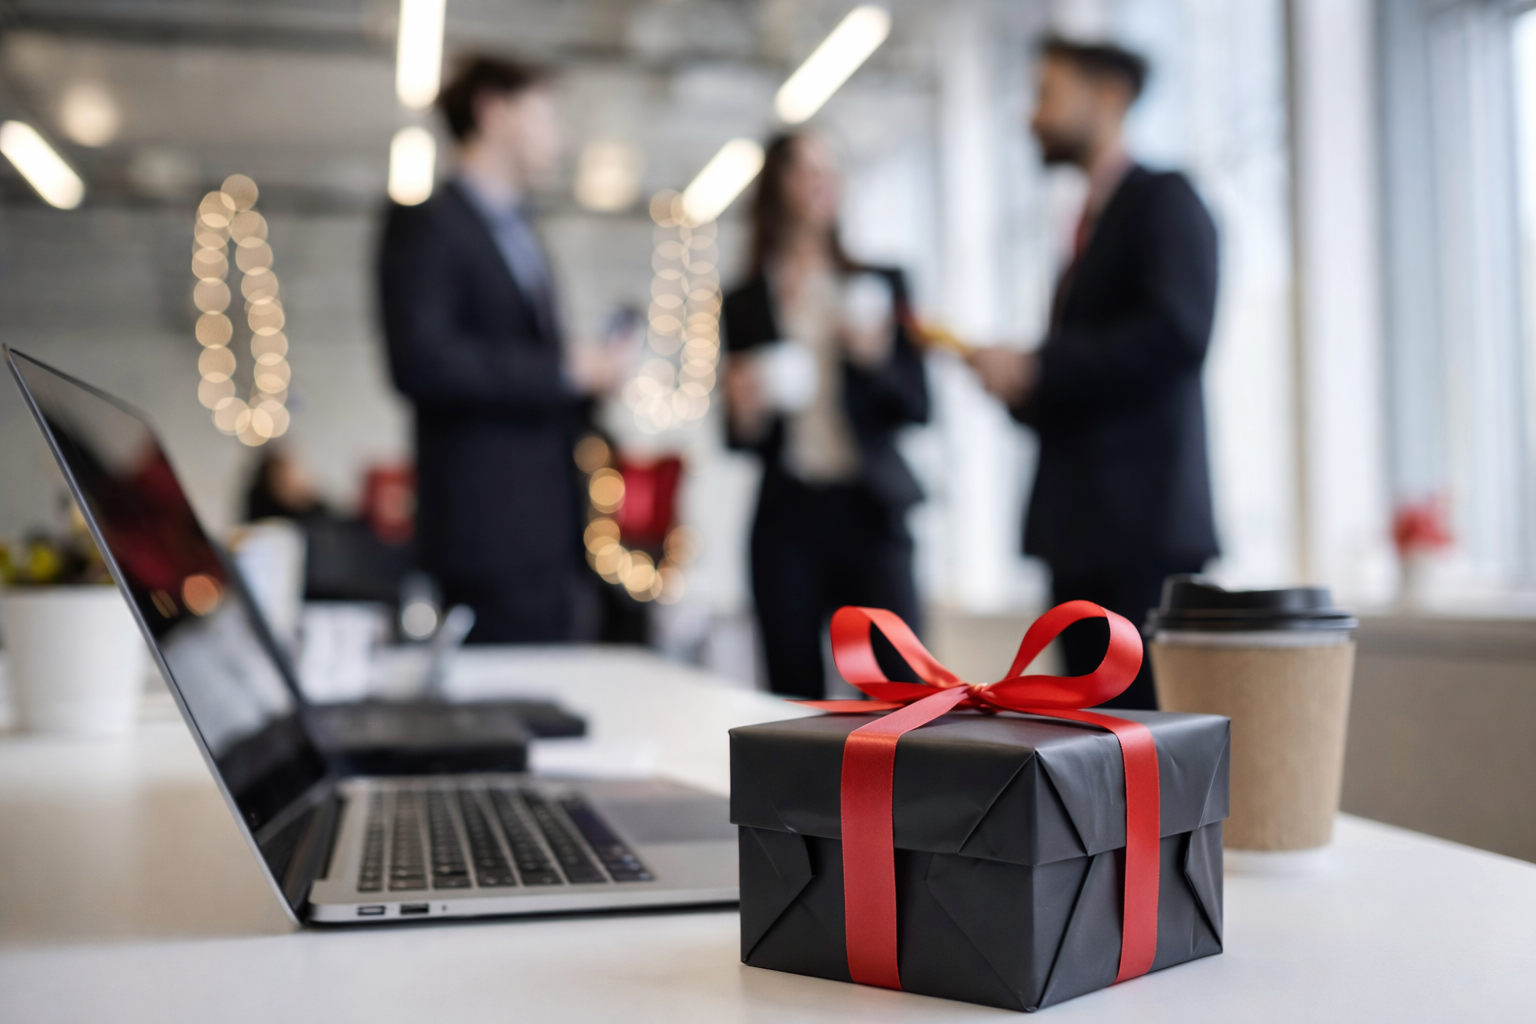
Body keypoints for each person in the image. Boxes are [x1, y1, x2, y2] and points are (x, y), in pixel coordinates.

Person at [968, 38, 1219, 709]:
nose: (1033, 116)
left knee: (1136, 757)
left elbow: (1176, 335)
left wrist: (1039, 365)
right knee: (1093, 755)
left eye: (1047, 94)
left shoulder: (1165, 201)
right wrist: (1020, 382)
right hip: (1083, 535)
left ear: (1108, 93)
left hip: (1140, 533)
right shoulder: (1088, 226)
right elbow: (1086, 381)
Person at [377, 56, 617, 643]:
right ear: (492, 109)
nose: (558, 137)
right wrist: (561, 372)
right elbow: (422, 360)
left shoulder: (525, 233)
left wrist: (588, 380)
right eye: (544, 115)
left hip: (551, 527)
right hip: (484, 528)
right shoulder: (429, 222)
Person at [721, 132, 930, 699]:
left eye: (829, 171)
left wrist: (876, 362)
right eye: (806, 171)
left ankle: (901, 791)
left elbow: (918, 404)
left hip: (869, 510)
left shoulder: (880, 285)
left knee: (899, 691)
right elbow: (738, 440)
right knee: (793, 694)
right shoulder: (744, 301)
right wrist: (742, 409)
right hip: (788, 517)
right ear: (777, 188)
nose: (822, 183)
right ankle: (806, 793)